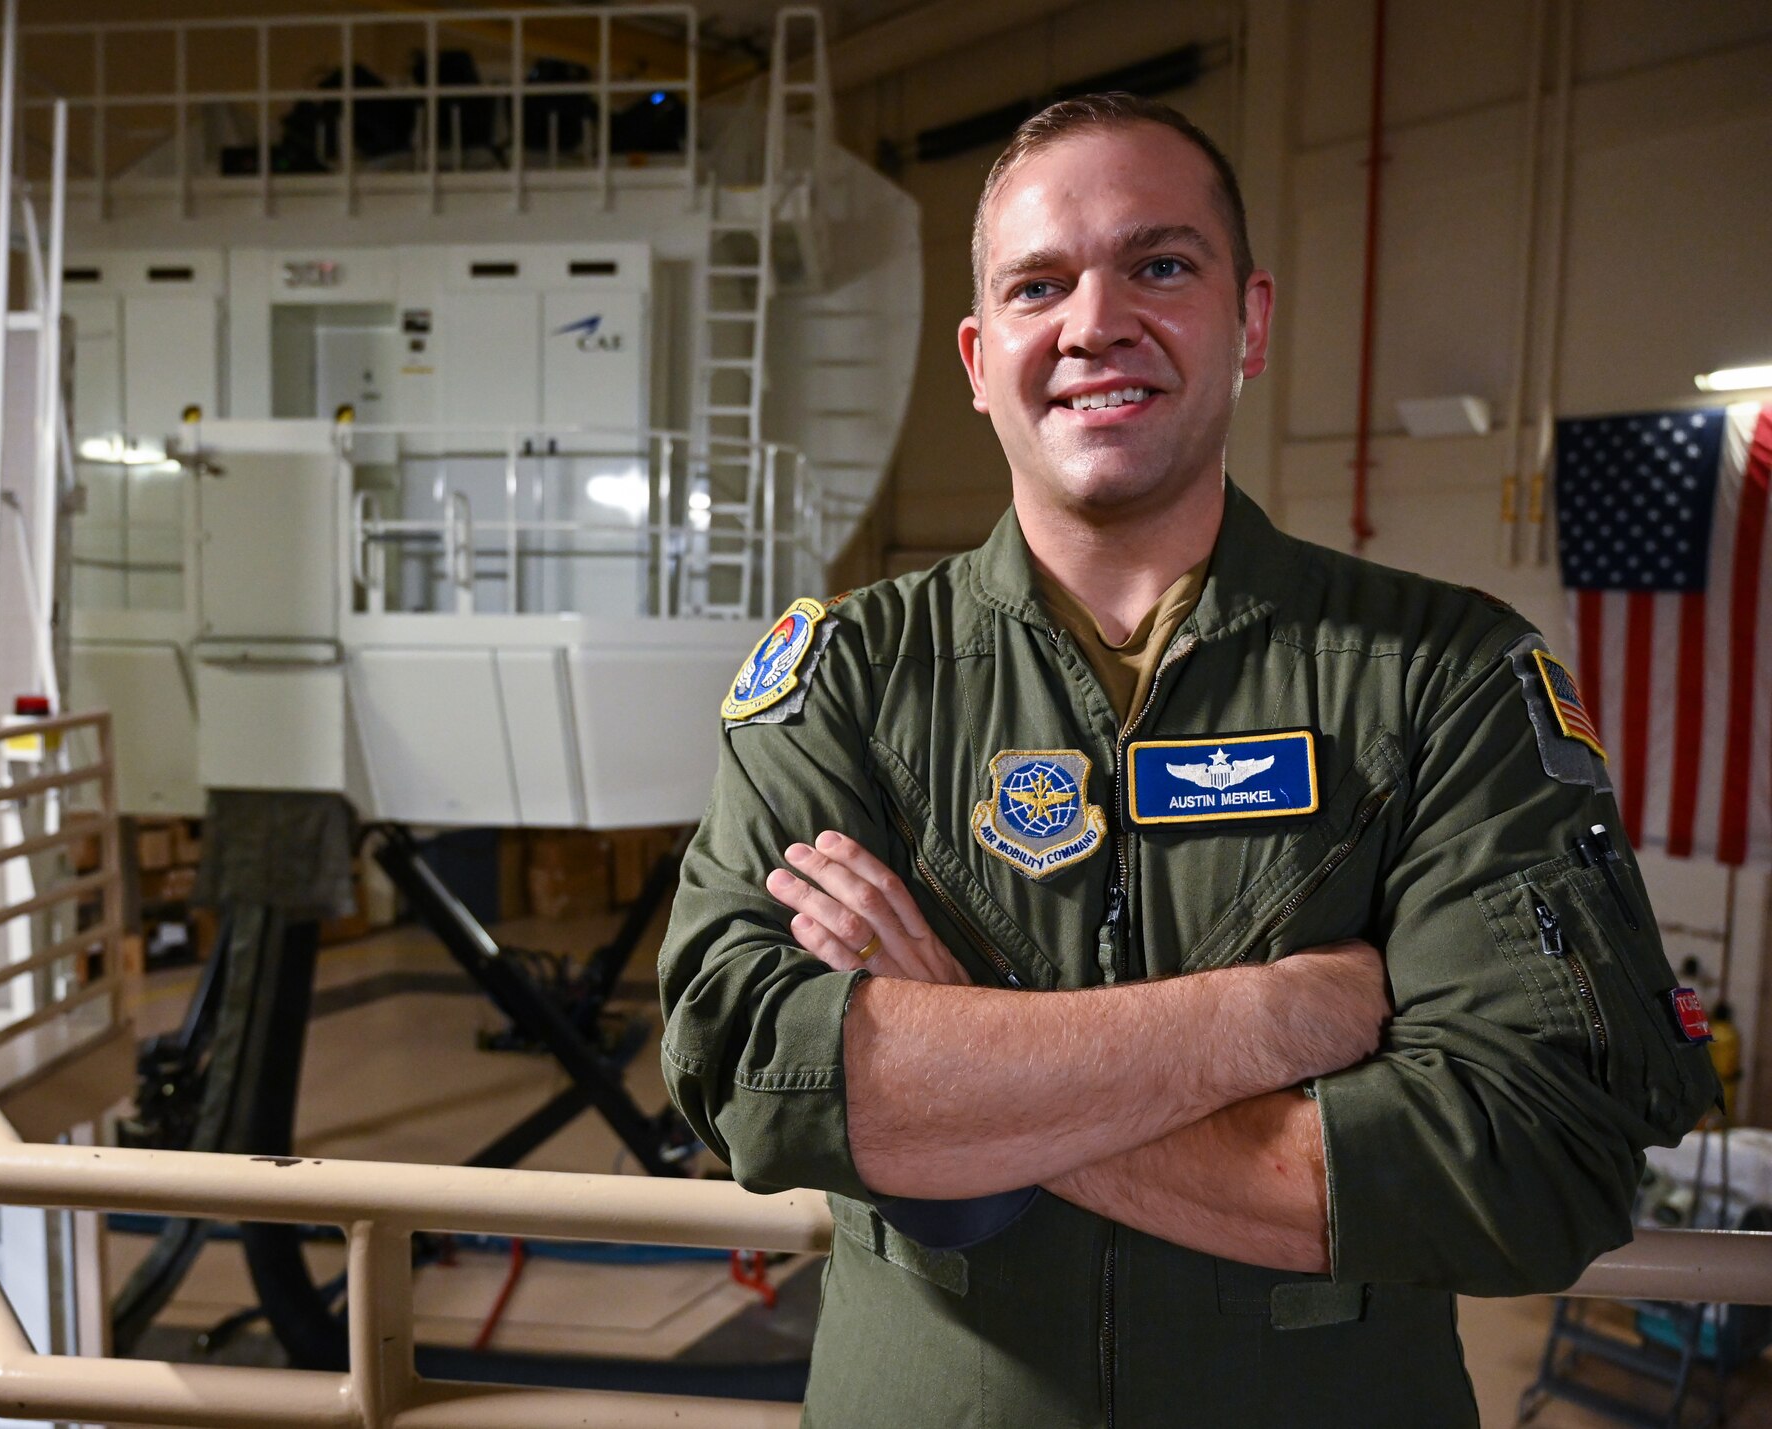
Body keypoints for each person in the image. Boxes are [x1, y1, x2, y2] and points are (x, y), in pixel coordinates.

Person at [658, 93, 1719, 1427]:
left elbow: (1532, 1159)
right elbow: (753, 1069)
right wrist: (1266, 1019)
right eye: (1041, 283)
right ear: (981, 358)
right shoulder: (850, 679)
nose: (1096, 322)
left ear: (1251, 322)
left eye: (1159, 265)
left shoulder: (1443, 676)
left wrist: (960, 1073)